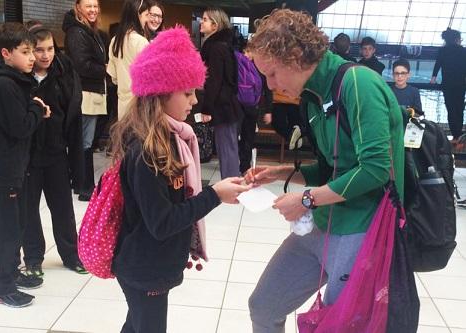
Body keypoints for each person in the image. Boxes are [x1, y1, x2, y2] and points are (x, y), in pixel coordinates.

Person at [245, 10, 404, 332]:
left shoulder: (358, 83)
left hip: (360, 228)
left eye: (272, 74)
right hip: (323, 224)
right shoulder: (314, 97)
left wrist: (305, 200)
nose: (270, 85)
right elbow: (335, 168)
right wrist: (282, 173)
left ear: (294, 57)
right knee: (263, 306)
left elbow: (376, 169)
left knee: (338, 323)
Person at [110, 26, 251, 333]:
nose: (194, 101)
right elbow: (162, 222)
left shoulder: (171, 139)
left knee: (135, 325)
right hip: (145, 267)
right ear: (160, 93)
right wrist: (214, 195)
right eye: (187, 92)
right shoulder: (148, 150)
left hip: (151, 263)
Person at [0, 22, 51, 307]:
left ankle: (11, 273)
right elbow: (19, 127)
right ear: (6, 54)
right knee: (5, 229)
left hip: (10, 167)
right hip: (1, 169)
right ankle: (1, 286)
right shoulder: (5, 85)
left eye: (33, 51)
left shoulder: (15, 81)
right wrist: (36, 108)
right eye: (25, 51)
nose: (32, 57)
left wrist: (33, 106)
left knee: (15, 224)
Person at [21, 25, 87, 277]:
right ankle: (34, 257)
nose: (46, 55)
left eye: (50, 49)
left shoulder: (63, 73)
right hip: (27, 155)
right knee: (28, 209)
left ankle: (71, 255)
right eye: (39, 50)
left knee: (62, 208)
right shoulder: (21, 77)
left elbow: (72, 114)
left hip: (56, 152)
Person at [62, 0, 107, 201]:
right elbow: (82, 65)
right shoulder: (76, 32)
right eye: (88, 6)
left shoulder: (88, 30)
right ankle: (85, 186)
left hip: (92, 92)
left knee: (86, 140)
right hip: (85, 93)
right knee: (85, 142)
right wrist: (105, 69)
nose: (93, 10)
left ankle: (81, 183)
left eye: (95, 6)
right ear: (78, 7)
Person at [200, 7, 242, 178]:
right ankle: (231, 180)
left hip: (223, 104)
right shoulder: (224, 45)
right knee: (228, 145)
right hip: (228, 103)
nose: (201, 22)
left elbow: (214, 80)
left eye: (205, 19)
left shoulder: (216, 47)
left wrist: (206, 108)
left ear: (215, 25)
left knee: (226, 146)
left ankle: (231, 182)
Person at [107, 0, 150, 121]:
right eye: (146, 15)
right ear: (137, 15)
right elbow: (149, 77)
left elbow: (114, 78)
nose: (146, 20)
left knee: (124, 137)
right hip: (140, 106)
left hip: (122, 105)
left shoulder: (115, 41)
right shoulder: (141, 42)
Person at [431, 28, 466, 141]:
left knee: (450, 109)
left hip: (447, 85)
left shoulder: (442, 51)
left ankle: (455, 135)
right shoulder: (463, 51)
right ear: (456, 39)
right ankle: (458, 134)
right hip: (461, 84)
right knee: (459, 108)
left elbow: (437, 65)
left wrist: (433, 79)